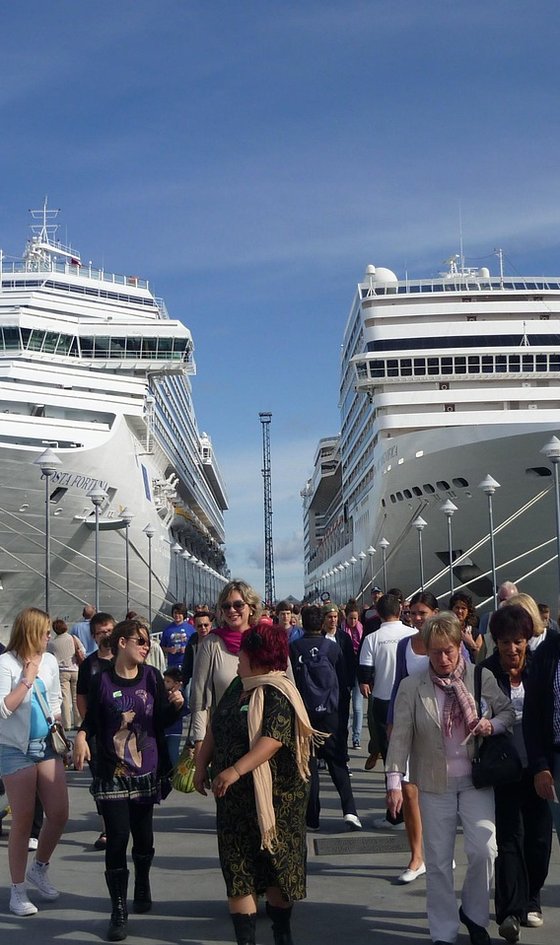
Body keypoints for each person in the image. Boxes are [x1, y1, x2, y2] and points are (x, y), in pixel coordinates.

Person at [386, 612, 515, 945]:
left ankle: (474, 914)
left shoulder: (479, 676)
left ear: (460, 646)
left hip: (476, 780)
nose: (443, 659)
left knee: (485, 850)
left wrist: (491, 725)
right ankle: (443, 931)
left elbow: (507, 712)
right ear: (426, 651)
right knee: (439, 862)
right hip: (433, 784)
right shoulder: (412, 686)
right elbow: (400, 737)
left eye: (449, 651)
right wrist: (394, 782)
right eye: (435, 652)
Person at [194, 621, 318, 945]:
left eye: (242, 653)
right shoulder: (238, 686)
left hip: (278, 803)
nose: (237, 658)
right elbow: (215, 725)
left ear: (258, 656)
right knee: (238, 872)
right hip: (234, 801)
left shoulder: (279, 691)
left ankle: (281, 934)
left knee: (275, 869)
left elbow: (272, 739)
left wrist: (235, 770)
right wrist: (201, 763)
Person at [74, 618, 184, 942]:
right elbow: (92, 720)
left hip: (146, 770)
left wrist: (177, 707)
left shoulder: (151, 676)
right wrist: (81, 736)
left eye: (148, 641)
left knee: (144, 838)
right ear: (122, 642)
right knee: (118, 838)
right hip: (113, 773)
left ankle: (143, 882)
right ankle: (118, 910)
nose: (146, 646)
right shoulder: (102, 680)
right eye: (141, 640)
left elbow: (159, 719)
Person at [482, 605, 552, 940]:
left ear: (528, 640)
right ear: (495, 642)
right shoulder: (485, 673)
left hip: (539, 768)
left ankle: (532, 898)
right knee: (509, 839)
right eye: (505, 642)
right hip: (503, 769)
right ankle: (510, 911)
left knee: (539, 839)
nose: (512, 649)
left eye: (518, 641)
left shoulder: (540, 668)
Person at [0, 607, 69, 917]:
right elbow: (4, 709)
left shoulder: (50, 661)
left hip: (46, 746)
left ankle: (39, 868)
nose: (48, 636)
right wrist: (26, 680)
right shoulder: (5, 664)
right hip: (14, 748)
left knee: (59, 813)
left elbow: (54, 701)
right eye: (44, 631)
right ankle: (17, 890)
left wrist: (60, 730)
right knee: (23, 818)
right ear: (30, 631)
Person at [291, 604, 362, 831]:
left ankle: (312, 818)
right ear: (321, 623)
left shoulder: (294, 648)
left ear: (302, 623)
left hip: (305, 715)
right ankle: (350, 811)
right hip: (331, 713)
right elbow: (343, 682)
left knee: (309, 765)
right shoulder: (331, 648)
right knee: (337, 762)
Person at [387, 590, 439, 882]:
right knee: (409, 791)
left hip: (439, 727)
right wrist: (391, 721)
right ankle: (416, 857)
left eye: (423, 613)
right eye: (413, 613)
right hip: (409, 723)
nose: (417, 618)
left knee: (436, 793)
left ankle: (438, 849)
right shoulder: (404, 644)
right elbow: (397, 684)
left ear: (435, 614)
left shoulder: (447, 641)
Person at [190, 580, 262, 759]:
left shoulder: (265, 640)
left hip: (262, 737)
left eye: (238, 605)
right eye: (226, 606)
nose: (232, 610)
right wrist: (199, 742)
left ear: (251, 607)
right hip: (225, 739)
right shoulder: (212, 643)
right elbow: (199, 696)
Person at [358, 593, 415, 816]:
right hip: (410, 699)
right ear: (400, 611)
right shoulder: (413, 634)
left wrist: (366, 683)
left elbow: (365, 670)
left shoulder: (372, 638)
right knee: (413, 754)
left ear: (378, 613)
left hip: (383, 700)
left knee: (391, 756)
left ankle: (394, 813)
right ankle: (415, 808)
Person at [76, 612, 116, 851]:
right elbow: (81, 695)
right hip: (97, 733)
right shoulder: (88, 664)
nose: (106, 635)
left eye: (109, 630)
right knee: (101, 779)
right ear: (93, 636)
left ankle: (126, 820)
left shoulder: (124, 659)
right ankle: (106, 828)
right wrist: (87, 723)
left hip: (125, 733)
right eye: (101, 632)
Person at [48, 617, 85, 729]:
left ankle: (67, 724)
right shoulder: (73, 638)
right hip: (75, 669)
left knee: (65, 698)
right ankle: (78, 722)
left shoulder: (52, 643)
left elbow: (50, 656)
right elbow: (82, 650)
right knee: (75, 697)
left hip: (62, 672)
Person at [341, 601, 364, 749]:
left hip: (358, 670)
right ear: (346, 617)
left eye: (355, 618)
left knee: (357, 706)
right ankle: (344, 735)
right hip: (345, 669)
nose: (353, 621)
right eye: (351, 618)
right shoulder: (341, 632)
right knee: (344, 706)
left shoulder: (362, 630)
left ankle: (356, 737)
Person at [162, 667, 188, 766]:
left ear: (177, 684)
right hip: (164, 731)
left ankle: (176, 773)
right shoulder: (163, 695)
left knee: (174, 757)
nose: (165, 683)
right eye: (164, 680)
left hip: (175, 732)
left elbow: (185, 711)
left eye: (168, 681)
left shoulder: (180, 697)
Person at [181, 610, 214, 686]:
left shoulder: (217, 640)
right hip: (196, 681)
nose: (203, 628)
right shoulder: (192, 640)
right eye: (199, 626)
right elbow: (187, 665)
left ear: (210, 625)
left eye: (206, 625)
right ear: (194, 626)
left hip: (213, 681)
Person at [449, 591, 483, 663]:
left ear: (468, 611)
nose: (460, 611)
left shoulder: (475, 633)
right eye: (457, 607)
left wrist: (471, 643)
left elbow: (481, 660)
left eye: (463, 608)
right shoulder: (445, 630)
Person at [160, 603, 194, 669]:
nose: (177, 615)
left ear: (184, 614)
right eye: (175, 613)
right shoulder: (167, 629)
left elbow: (196, 645)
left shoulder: (191, 629)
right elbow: (162, 646)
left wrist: (187, 649)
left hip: (188, 663)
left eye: (180, 613)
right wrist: (169, 650)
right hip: (172, 664)